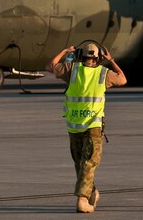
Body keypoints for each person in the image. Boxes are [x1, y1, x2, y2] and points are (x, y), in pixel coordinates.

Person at [47, 43, 127, 213]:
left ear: (80, 56)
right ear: (98, 57)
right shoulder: (103, 73)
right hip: (93, 126)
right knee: (89, 164)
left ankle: (88, 193)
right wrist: (111, 60)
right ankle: (83, 199)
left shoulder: (71, 71)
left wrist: (65, 51)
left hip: (74, 126)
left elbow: (50, 66)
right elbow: (123, 79)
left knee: (80, 164)